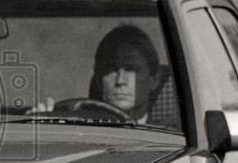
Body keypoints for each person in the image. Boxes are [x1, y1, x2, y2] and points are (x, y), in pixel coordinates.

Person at [30, 24, 181, 129]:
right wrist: (44, 126)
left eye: (131, 69)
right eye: (111, 70)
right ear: (98, 80)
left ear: (154, 79)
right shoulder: (76, 127)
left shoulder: (172, 136)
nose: (120, 81)